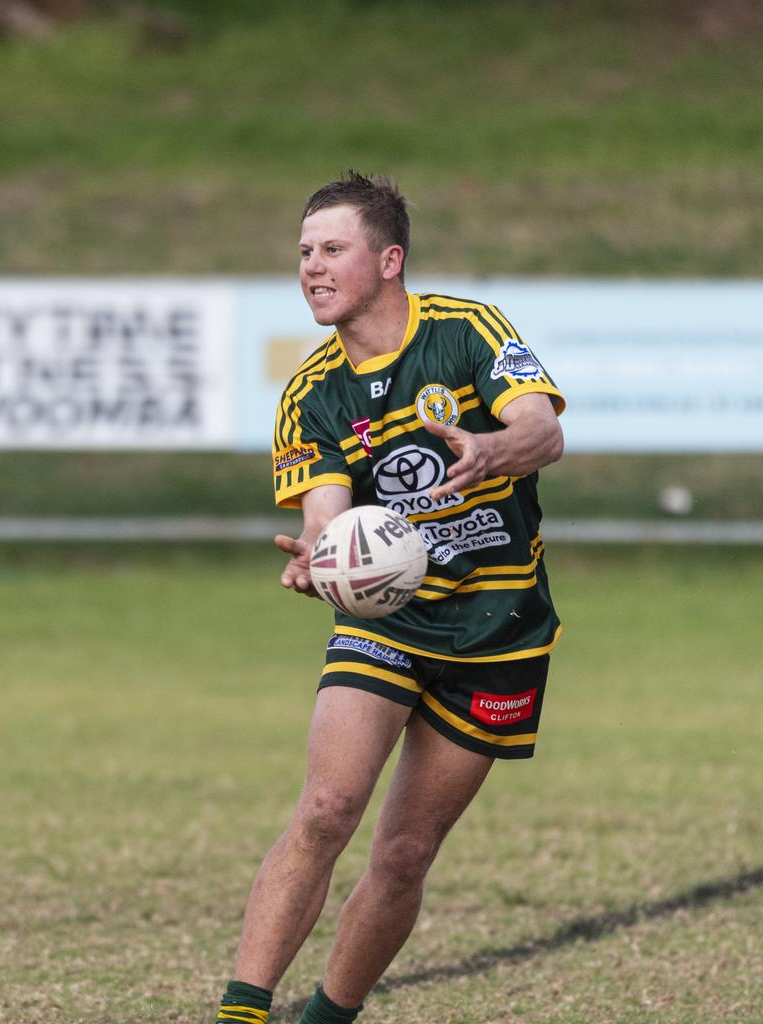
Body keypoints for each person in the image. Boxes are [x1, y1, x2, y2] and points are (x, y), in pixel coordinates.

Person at [214, 171, 565, 1024]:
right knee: (328, 808)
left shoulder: (465, 331)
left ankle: (326, 1019)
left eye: (332, 249)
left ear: (389, 259)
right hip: (388, 622)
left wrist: (493, 449)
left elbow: (545, 430)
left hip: (500, 628)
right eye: (303, 252)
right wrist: (321, 558)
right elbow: (329, 515)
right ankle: (240, 1013)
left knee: (405, 852)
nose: (311, 267)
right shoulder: (311, 393)